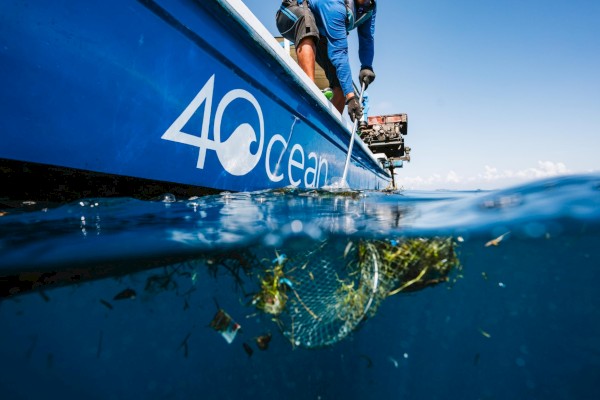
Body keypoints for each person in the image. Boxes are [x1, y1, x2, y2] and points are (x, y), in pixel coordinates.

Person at [276, 0, 377, 122]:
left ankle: (328, 127)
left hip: (321, 31)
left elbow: (367, 38)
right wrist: (350, 97)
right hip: (291, 13)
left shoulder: (370, 8)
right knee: (307, 23)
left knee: (340, 85)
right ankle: (309, 93)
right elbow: (339, 52)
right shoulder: (335, 5)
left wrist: (366, 66)